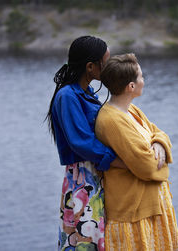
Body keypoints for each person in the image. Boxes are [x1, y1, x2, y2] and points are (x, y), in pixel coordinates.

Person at [95, 53, 178, 251]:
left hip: (153, 209)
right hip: (134, 215)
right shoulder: (112, 121)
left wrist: (159, 144)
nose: (144, 80)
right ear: (131, 87)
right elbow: (148, 167)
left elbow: (159, 132)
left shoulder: (131, 110)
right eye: (141, 77)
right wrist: (162, 159)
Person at [46, 36, 125, 251]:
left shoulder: (86, 92)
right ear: (91, 67)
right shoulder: (68, 96)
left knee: (98, 240)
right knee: (86, 242)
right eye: (106, 62)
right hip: (83, 177)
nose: (110, 67)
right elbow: (81, 142)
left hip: (94, 173)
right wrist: (120, 161)